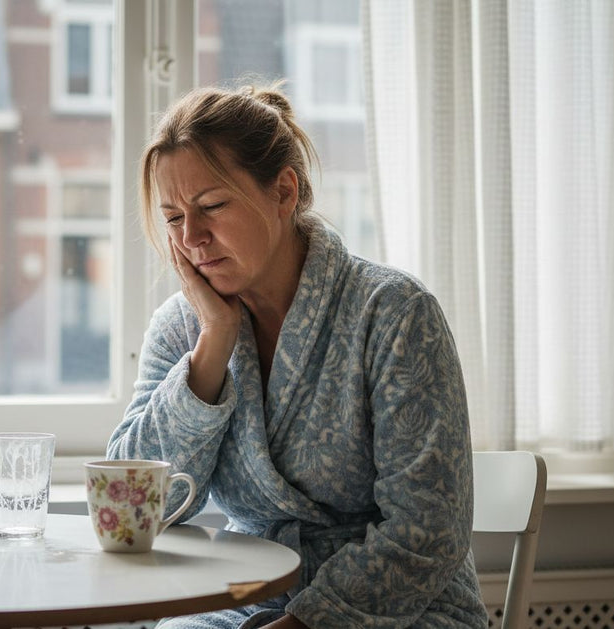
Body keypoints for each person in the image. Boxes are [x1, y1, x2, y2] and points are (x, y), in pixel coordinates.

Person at [105, 83, 488, 629]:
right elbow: (127, 515)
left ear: (284, 191)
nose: (191, 237)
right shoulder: (182, 327)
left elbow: (427, 530)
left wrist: (308, 623)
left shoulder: (394, 314)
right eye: (172, 218)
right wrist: (212, 345)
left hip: (403, 611)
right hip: (246, 601)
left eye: (211, 206)